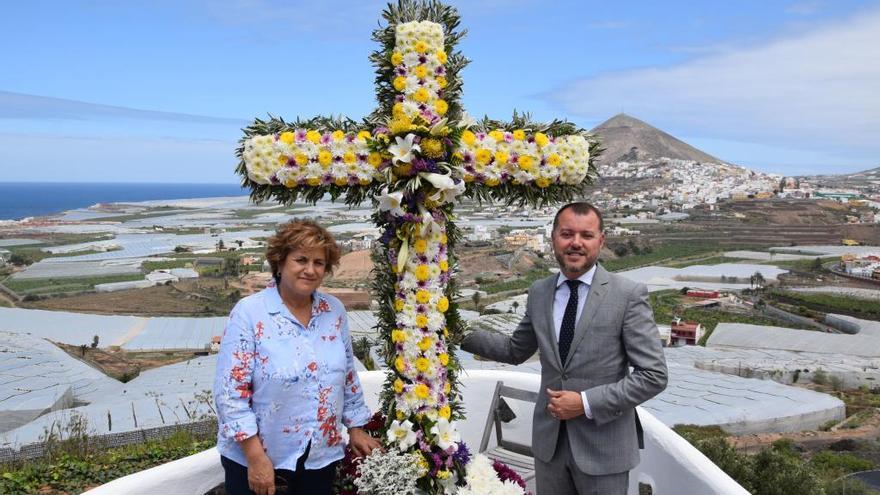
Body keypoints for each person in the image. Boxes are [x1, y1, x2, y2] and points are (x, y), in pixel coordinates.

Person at [461, 202, 668, 495]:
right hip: (550, 448)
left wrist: (584, 403)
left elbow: (653, 375)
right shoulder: (539, 292)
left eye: (586, 235)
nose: (576, 243)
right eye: (567, 233)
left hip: (604, 451)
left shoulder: (627, 295)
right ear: (553, 237)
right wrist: (458, 332)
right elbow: (514, 350)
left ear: (601, 240)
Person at [214, 219, 381, 495]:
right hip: (259, 458)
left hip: (319, 456)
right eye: (301, 259)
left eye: (319, 263)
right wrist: (255, 457)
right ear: (280, 263)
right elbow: (230, 394)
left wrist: (356, 427)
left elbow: (347, 375)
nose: (310, 269)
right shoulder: (250, 313)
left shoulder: (334, 311)